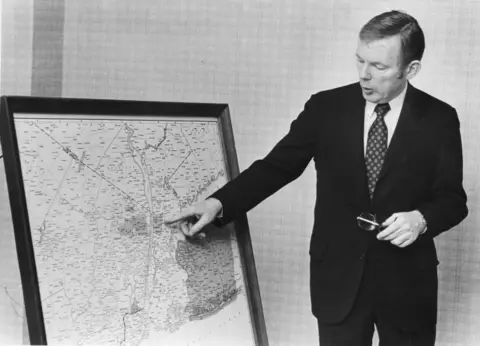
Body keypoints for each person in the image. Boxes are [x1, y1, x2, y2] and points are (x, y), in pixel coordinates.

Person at [165, 10, 468, 346]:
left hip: (408, 286)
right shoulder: (326, 108)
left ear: (410, 69)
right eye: (360, 61)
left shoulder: (439, 118)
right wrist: (218, 203)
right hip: (337, 280)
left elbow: (452, 201)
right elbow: (276, 167)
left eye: (379, 67)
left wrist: (421, 219)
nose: (364, 75)